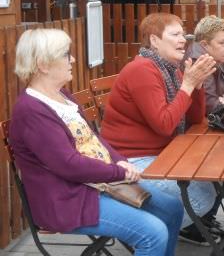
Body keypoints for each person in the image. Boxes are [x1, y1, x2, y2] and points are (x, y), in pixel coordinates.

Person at [10, 29, 184, 256]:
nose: (72, 59)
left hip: (95, 184)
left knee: (172, 208)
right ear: (43, 64)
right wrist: (117, 172)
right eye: (65, 54)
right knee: (152, 232)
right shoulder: (31, 110)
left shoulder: (62, 95)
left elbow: (94, 138)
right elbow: (68, 164)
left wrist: (121, 161)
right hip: (67, 199)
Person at [101, 12, 219, 246]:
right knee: (201, 194)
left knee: (212, 175)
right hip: (130, 160)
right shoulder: (142, 70)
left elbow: (194, 119)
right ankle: (145, 233)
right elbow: (165, 125)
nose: (183, 40)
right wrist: (188, 84)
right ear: (154, 40)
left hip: (163, 151)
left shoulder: (170, 69)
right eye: (175, 34)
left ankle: (164, 231)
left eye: (182, 34)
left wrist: (196, 85)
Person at [184, 15, 224, 114]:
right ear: (204, 45)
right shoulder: (198, 61)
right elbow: (211, 106)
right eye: (222, 43)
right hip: (195, 127)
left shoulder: (218, 57)